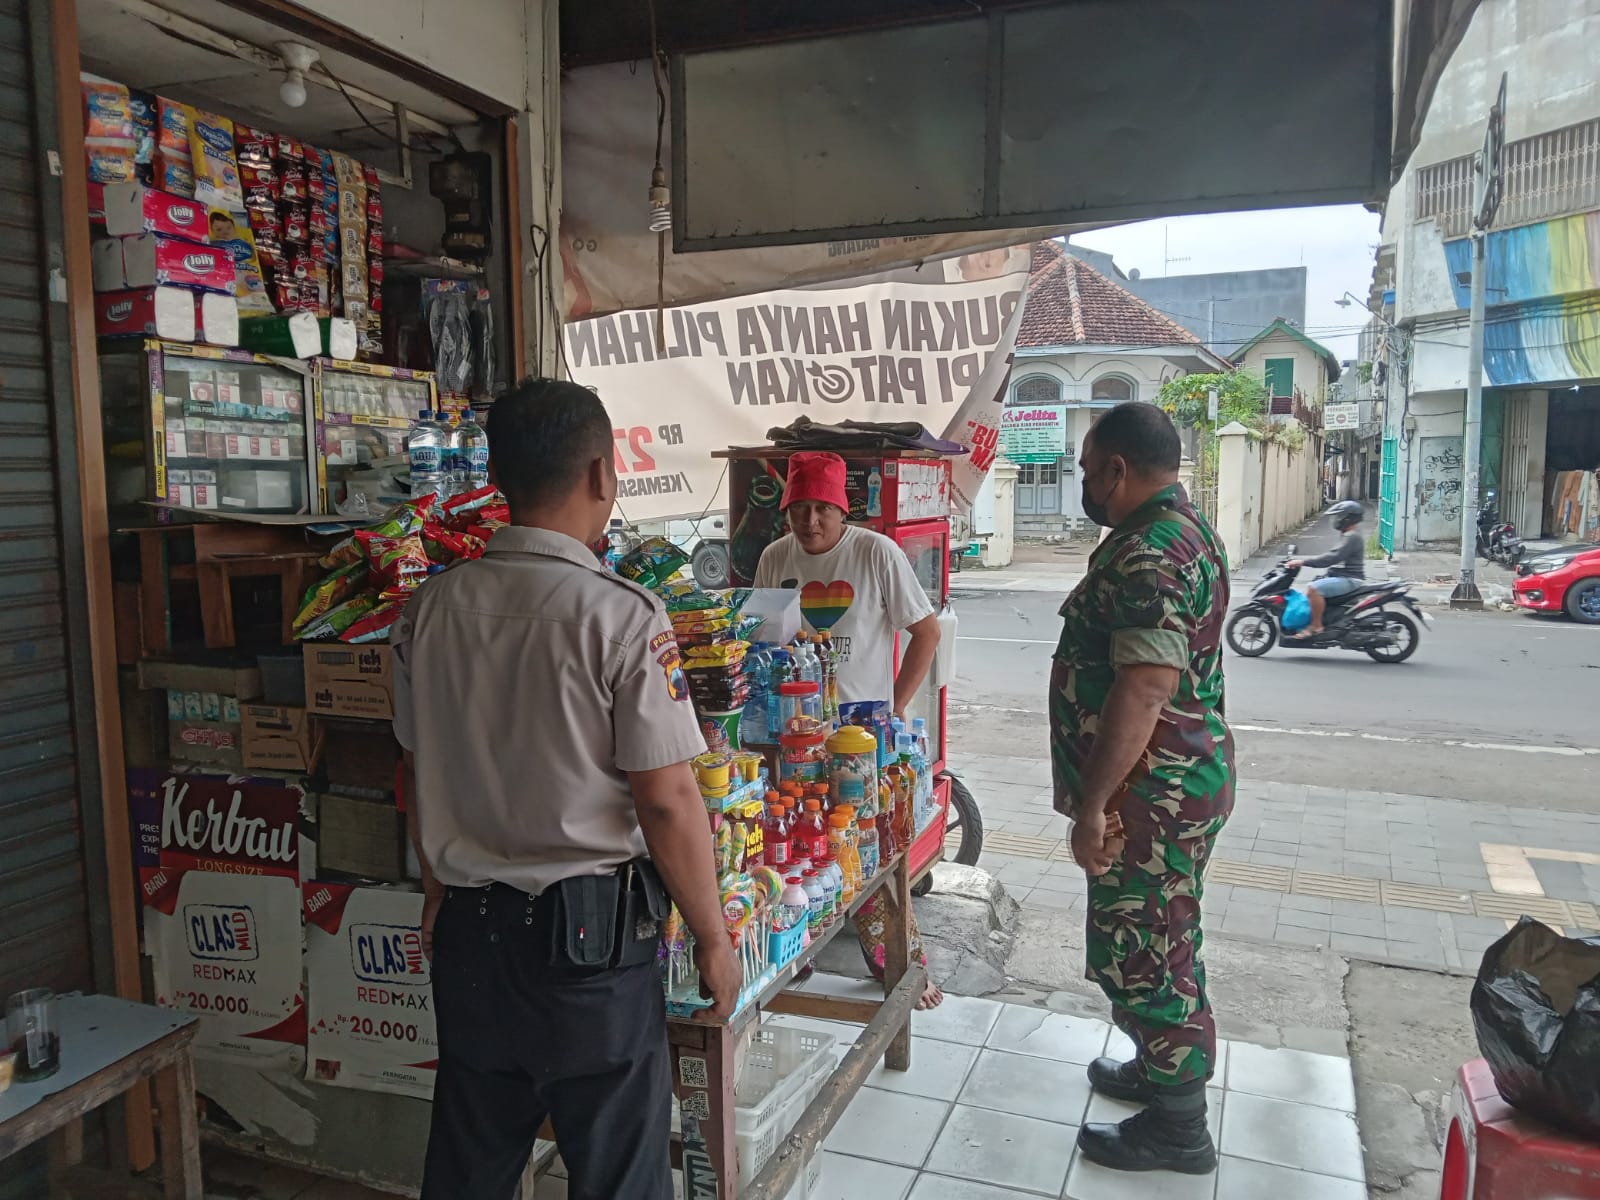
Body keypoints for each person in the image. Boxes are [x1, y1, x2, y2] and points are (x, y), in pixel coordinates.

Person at [393, 379, 740, 1200]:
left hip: (471, 941)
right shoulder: (622, 616)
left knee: (471, 1167)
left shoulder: (430, 608)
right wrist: (714, 937)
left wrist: (439, 889)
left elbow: (417, 765)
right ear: (599, 474)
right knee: (618, 1175)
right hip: (588, 957)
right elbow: (667, 800)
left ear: (502, 475)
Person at [1050, 402, 1234, 1174]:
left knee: (1151, 953)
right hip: (1170, 784)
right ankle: (1156, 1069)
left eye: (1089, 472)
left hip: (1149, 795)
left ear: (1118, 470)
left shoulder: (1152, 553)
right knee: (1153, 937)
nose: (1086, 486)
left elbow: (1147, 687)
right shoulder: (1179, 533)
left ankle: (1178, 1127)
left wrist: (1094, 805)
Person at [753, 451, 946, 1009]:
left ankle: (903, 967)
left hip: (860, 741)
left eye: (822, 509)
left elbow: (926, 633)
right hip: (789, 737)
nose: (810, 522)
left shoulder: (875, 552)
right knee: (790, 842)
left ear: (843, 510)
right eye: (798, 509)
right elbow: (763, 640)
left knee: (867, 852)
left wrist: (894, 707)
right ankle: (795, 952)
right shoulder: (774, 558)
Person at [1286, 500, 1365, 637]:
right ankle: (1325, 620)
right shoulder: (1348, 535)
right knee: (1314, 587)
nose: (1336, 520)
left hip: (1349, 579)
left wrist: (1302, 562)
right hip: (1343, 577)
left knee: (1313, 589)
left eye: (1339, 516)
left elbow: (1330, 558)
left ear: (1348, 518)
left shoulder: (1352, 538)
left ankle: (1316, 626)